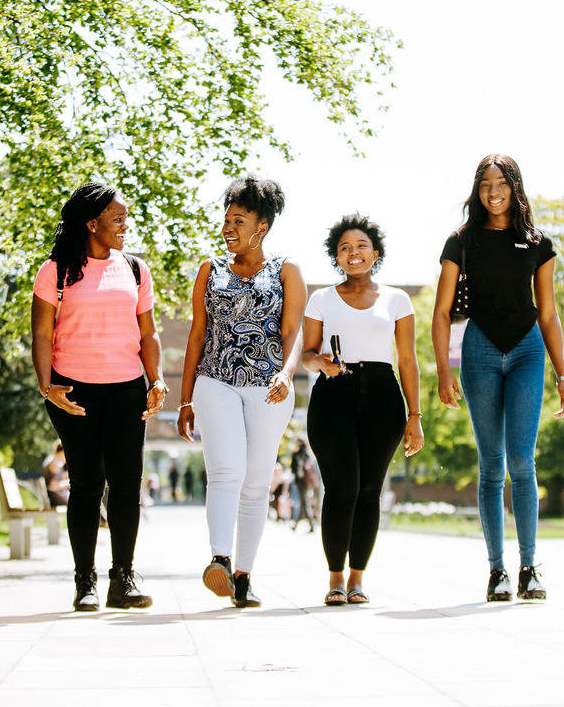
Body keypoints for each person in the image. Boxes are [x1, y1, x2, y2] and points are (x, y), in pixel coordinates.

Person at [431, 154, 564, 603]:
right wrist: (442, 370)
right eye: (485, 184)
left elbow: (548, 315)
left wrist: (563, 376)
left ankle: (529, 568)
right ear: (477, 190)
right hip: (479, 351)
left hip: (529, 351)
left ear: (515, 187)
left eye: (501, 184)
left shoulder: (537, 242)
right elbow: (440, 312)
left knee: (522, 463)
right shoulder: (462, 242)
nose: (493, 192)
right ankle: (497, 571)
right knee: (491, 466)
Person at [31, 182, 167, 611]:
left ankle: (122, 580)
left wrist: (157, 379)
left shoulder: (134, 269)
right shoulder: (55, 270)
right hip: (74, 391)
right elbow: (39, 333)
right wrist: (46, 387)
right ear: (92, 223)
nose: (126, 226)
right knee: (87, 486)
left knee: (127, 486)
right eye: (118, 219)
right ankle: (84, 581)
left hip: (127, 389)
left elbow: (148, 333)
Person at [177, 175, 307, 608]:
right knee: (225, 472)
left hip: (269, 388)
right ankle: (219, 558)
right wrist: (185, 399)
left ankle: (244, 578)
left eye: (238, 220)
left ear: (262, 226)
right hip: (215, 381)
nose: (227, 228)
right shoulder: (209, 270)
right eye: (226, 220)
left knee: (255, 484)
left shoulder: (287, 270)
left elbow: (293, 334)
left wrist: (287, 375)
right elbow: (197, 335)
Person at [302, 213, 424, 606]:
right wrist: (322, 362)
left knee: (369, 491)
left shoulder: (396, 299)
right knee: (342, 489)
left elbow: (407, 361)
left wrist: (414, 416)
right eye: (344, 248)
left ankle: (357, 580)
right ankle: (335, 578)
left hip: (383, 397)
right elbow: (305, 355)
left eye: (361, 247)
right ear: (336, 256)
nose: (353, 254)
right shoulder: (321, 298)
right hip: (333, 396)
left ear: (375, 252)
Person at [290, 439, 315, 533]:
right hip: (303, 482)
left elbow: (293, 468)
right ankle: (297, 525)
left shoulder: (300, 455)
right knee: (302, 503)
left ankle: (310, 524)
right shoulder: (304, 454)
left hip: (302, 482)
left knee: (303, 503)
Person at [43, 441, 70, 507]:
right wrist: (68, 483)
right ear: (62, 452)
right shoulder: (54, 465)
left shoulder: (51, 460)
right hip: (54, 498)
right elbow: (53, 486)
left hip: (53, 496)